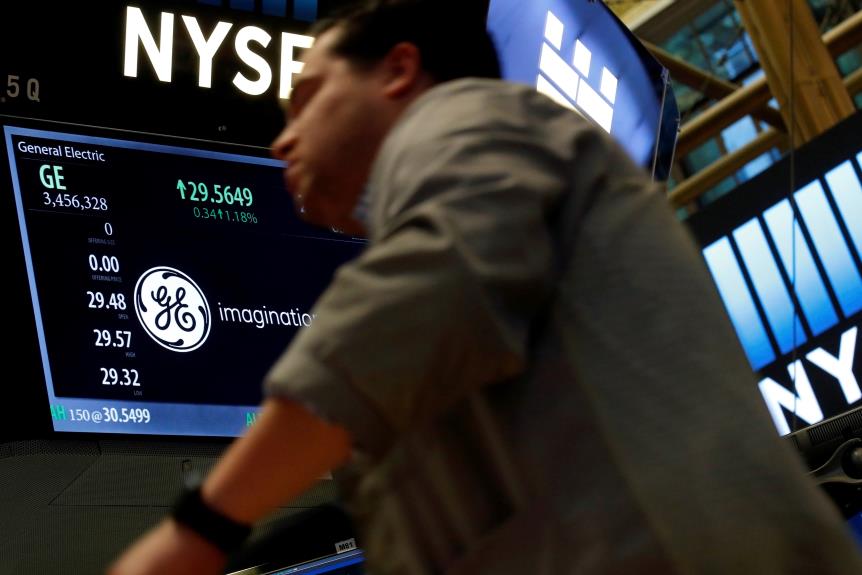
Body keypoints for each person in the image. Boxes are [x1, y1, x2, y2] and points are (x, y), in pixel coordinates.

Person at [109, 1, 862, 574]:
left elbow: (421, 303)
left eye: (306, 98)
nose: (282, 137)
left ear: (398, 71)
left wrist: (200, 531)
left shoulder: (477, 123)